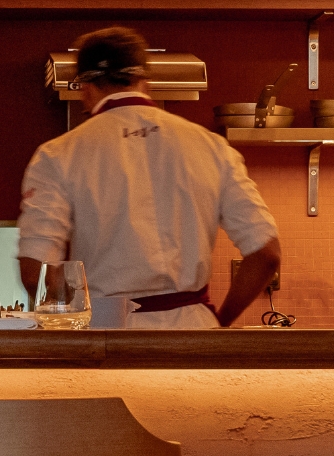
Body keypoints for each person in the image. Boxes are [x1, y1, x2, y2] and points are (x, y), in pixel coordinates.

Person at [17, 26, 283, 329]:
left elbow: (35, 271)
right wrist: (219, 325)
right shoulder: (212, 147)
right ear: (146, 82)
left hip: (105, 333)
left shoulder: (57, 155)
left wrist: (69, 322)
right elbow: (266, 253)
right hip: (194, 332)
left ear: (85, 88)